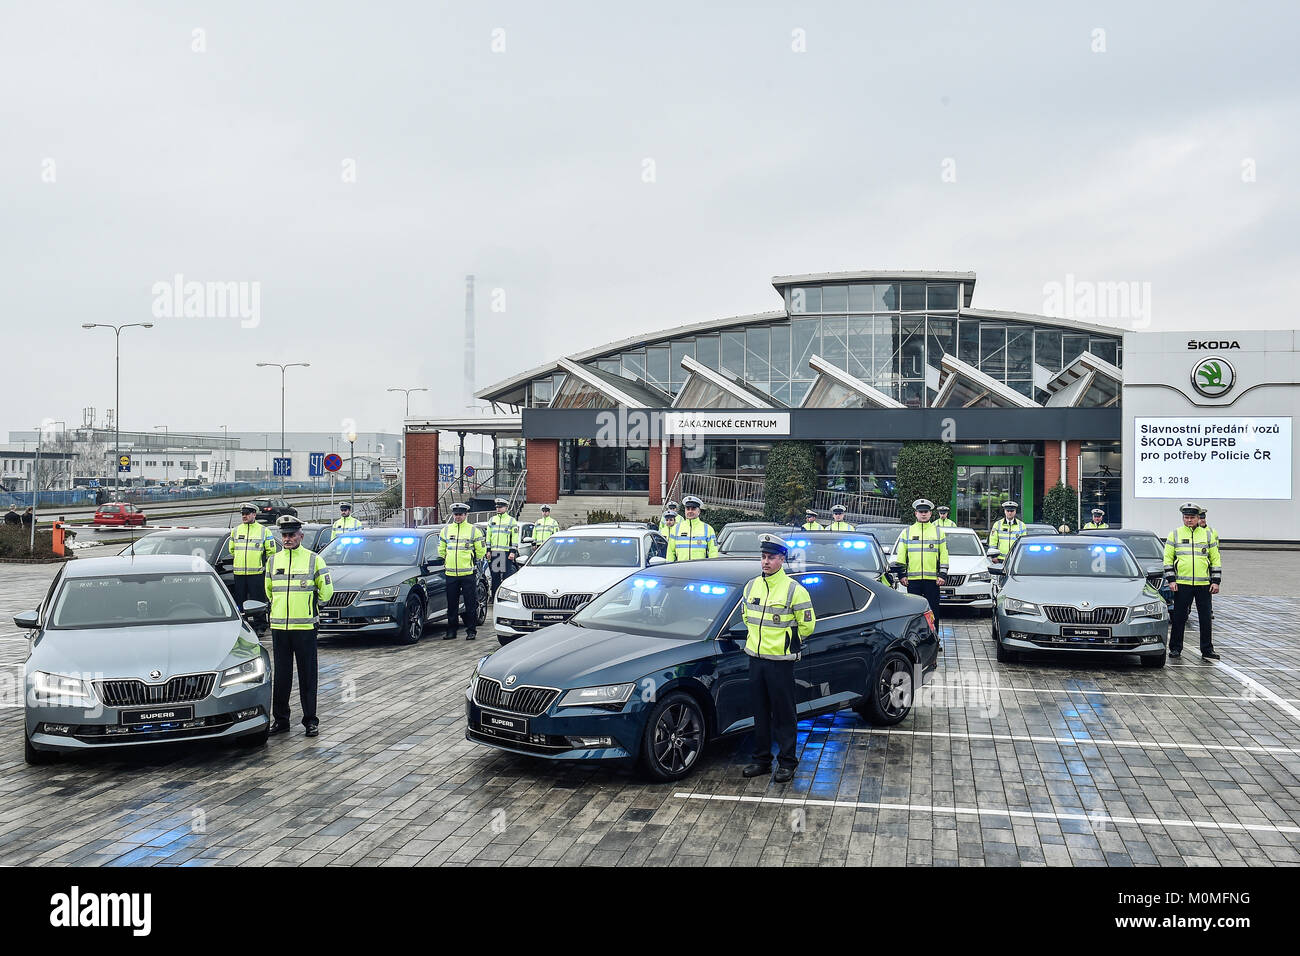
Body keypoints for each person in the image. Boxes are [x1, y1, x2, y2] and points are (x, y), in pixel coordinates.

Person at [740, 534, 816, 784]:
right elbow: (746, 617)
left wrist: (786, 641)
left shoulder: (795, 590)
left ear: (782, 559)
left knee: (784, 714)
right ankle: (762, 760)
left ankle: (787, 762)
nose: (765, 562)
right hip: (756, 659)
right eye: (763, 557)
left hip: (780, 662)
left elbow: (807, 625)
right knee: (759, 713)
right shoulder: (751, 586)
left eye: (771, 557)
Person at [265, 515, 333, 736]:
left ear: (300, 536)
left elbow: (327, 592)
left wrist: (314, 607)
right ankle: (281, 720)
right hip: (280, 629)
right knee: (281, 677)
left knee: (307, 676)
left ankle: (310, 721)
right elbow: (269, 591)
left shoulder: (314, 560)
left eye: (292, 535)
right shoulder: (273, 561)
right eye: (284, 535)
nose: (287, 538)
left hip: (305, 628)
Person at [1164, 502, 1221, 661]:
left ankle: (1207, 650)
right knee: (1179, 618)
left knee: (1205, 619)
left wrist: (1215, 581)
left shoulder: (1207, 535)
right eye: (1186, 517)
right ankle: (1175, 649)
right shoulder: (1174, 534)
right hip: (1182, 584)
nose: (1189, 520)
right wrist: (1171, 579)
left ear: (1198, 518)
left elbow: (1215, 559)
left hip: (1204, 585)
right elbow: (1168, 559)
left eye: (1192, 517)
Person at [892, 499, 949, 622]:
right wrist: (901, 574)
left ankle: (934, 637)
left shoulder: (939, 532)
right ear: (915, 513)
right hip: (913, 581)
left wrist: (943, 574)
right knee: (914, 612)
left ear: (930, 514)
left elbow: (943, 554)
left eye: (926, 511)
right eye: (920, 511)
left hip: (932, 581)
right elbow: (901, 555)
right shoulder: (906, 532)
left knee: (933, 611)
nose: (923, 514)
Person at [438, 502, 487, 640]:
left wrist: (474, 561)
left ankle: (471, 631)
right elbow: (441, 549)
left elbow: (481, 550)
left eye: (460, 514)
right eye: (456, 514)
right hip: (451, 574)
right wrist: (444, 559)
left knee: (470, 604)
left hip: (468, 574)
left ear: (466, 515)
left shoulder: (473, 530)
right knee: (451, 604)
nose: (457, 517)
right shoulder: (446, 530)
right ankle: (451, 631)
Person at [228, 503, 277, 628]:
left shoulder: (264, 531)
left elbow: (271, 552)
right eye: (243, 514)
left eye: (247, 514)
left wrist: (262, 565)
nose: (244, 516)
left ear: (254, 514)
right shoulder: (236, 530)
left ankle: (260, 625)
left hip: (256, 573)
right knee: (240, 601)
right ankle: (242, 624)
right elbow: (231, 550)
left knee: (257, 601)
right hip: (239, 574)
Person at [485, 497, 521, 594]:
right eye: (497, 507)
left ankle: (505, 595)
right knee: (495, 576)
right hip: (494, 553)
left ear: (506, 508)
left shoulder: (511, 520)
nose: (498, 509)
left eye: (501, 507)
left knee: (506, 576)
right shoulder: (492, 520)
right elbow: (488, 536)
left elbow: (514, 537)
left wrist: (513, 552)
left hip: (505, 553)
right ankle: (495, 597)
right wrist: (488, 550)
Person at [666, 495, 718, 561]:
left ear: (698, 511)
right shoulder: (676, 528)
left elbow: (713, 552)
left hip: (700, 569)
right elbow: (670, 552)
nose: (690, 511)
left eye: (693, 509)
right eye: (688, 509)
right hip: (680, 569)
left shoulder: (708, 529)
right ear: (685, 511)